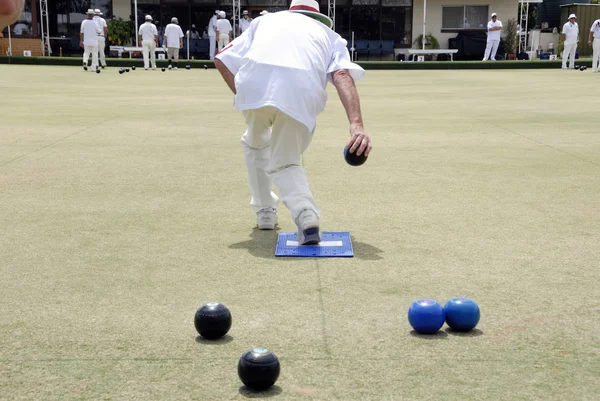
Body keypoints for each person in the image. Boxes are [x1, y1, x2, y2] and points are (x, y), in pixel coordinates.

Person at [214, 0, 372, 245]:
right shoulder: (331, 36)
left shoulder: (263, 21)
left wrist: (244, 94)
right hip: (301, 92)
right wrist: (356, 125)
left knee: (254, 143)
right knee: (285, 162)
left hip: (254, 85)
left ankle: (264, 211)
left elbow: (222, 59)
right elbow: (341, 74)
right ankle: (306, 215)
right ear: (319, 16)